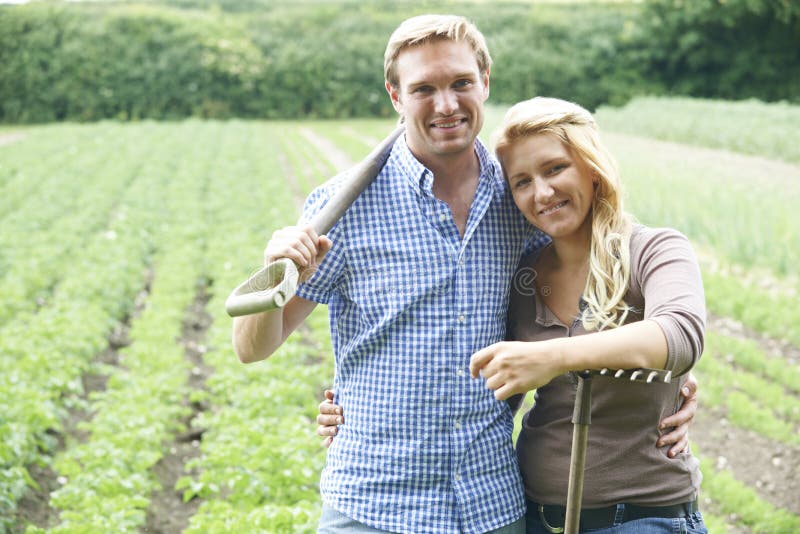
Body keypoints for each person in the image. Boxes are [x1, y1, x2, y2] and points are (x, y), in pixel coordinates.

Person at [235, 14, 697, 534]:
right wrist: (273, 270)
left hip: (492, 506)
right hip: (372, 505)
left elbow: (591, 303)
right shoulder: (345, 207)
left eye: (460, 83)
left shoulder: (521, 196)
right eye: (423, 89)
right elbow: (254, 348)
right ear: (395, 96)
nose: (446, 104)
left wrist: (661, 385)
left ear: (485, 81)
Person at [469, 97, 707, 533]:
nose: (541, 192)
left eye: (555, 168)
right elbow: (484, 390)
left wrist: (556, 357)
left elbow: (680, 336)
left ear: (592, 167)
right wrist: (357, 412)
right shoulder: (523, 275)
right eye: (521, 182)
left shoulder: (653, 250)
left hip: (640, 518)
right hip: (532, 516)